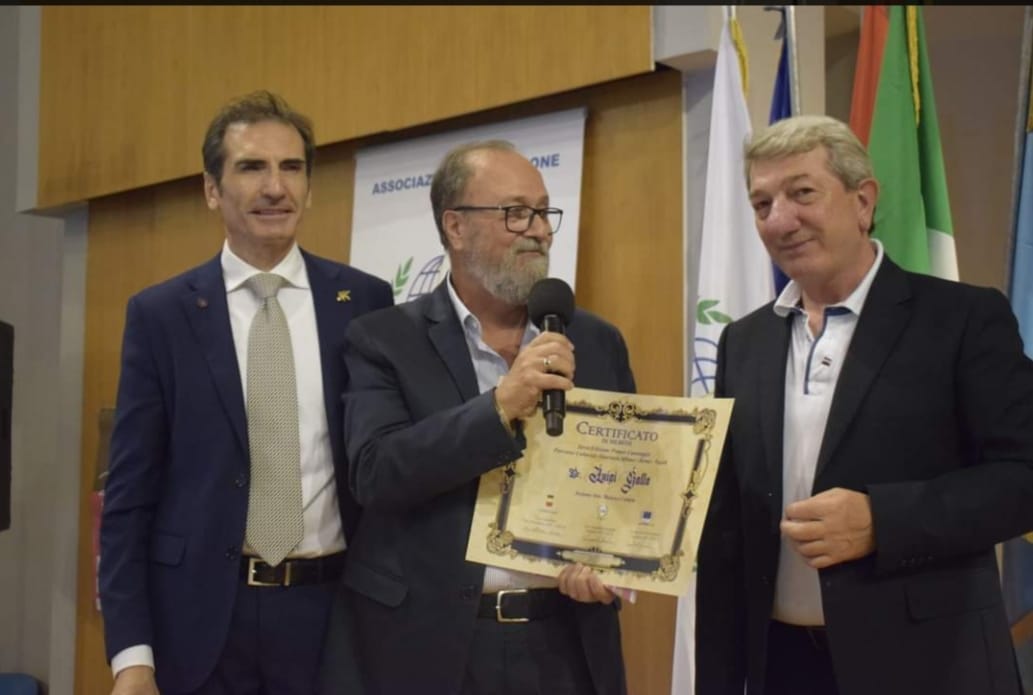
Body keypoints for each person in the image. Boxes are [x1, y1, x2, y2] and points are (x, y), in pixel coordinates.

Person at [695, 113, 1033, 695]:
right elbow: (728, 523)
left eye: (802, 193)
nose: (781, 219)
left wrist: (884, 521)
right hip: (781, 668)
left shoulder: (961, 319)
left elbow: (1025, 478)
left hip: (930, 666)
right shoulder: (743, 341)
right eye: (761, 203)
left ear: (863, 199)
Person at [99, 90, 394, 695]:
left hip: (333, 616)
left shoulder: (363, 302)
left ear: (310, 188)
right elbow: (129, 498)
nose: (275, 188)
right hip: (203, 622)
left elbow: (384, 463)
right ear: (212, 189)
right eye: (252, 167)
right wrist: (132, 657)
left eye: (292, 168)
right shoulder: (161, 316)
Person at [338, 140, 634, 694]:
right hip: (435, 647)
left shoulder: (595, 340)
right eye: (516, 212)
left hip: (567, 642)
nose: (540, 230)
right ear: (455, 227)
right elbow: (377, 472)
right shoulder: (383, 340)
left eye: (545, 212)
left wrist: (614, 566)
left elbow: (621, 486)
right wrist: (499, 407)